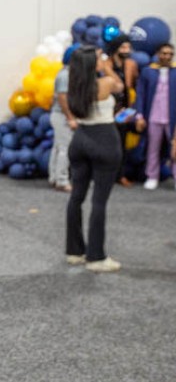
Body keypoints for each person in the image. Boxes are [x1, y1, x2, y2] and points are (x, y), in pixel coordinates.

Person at [65, 46, 124, 272]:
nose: (104, 59)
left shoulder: (74, 85)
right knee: (99, 201)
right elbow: (119, 84)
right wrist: (108, 67)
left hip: (80, 140)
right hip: (104, 140)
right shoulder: (105, 83)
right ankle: (96, 257)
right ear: (93, 63)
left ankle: (74, 251)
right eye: (100, 57)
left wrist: (101, 64)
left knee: (76, 198)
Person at [133, 42, 176, 190]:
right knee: (153, 147)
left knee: (174, 148)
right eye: (164, 53)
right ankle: (152, 175)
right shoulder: (148, 72)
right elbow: (140, 95)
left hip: (172, 117)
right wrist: (139, 115)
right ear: (158, 54)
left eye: (170, 54)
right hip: (153, 116)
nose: (167, 56)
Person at [105, 34, 139, 187]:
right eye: (123, 47)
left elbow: (134, 86)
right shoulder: (105, 64)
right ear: (115, 48)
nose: (127, 50)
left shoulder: (131, 64)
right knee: (107, 145)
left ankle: (120, 175)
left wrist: (131, 110)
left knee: (122, 145)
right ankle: (105, 175)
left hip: (124, 110)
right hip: (107, 111)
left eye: (128, 47)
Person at [49, 44, 80, 193]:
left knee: (58, 147)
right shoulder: (65, 75)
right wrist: (70, 117)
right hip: (62, 116)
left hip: (60, 115)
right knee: (64, 149)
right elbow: (62, 97)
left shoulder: (66, 73)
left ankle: (54, 177)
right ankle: (62, 180)